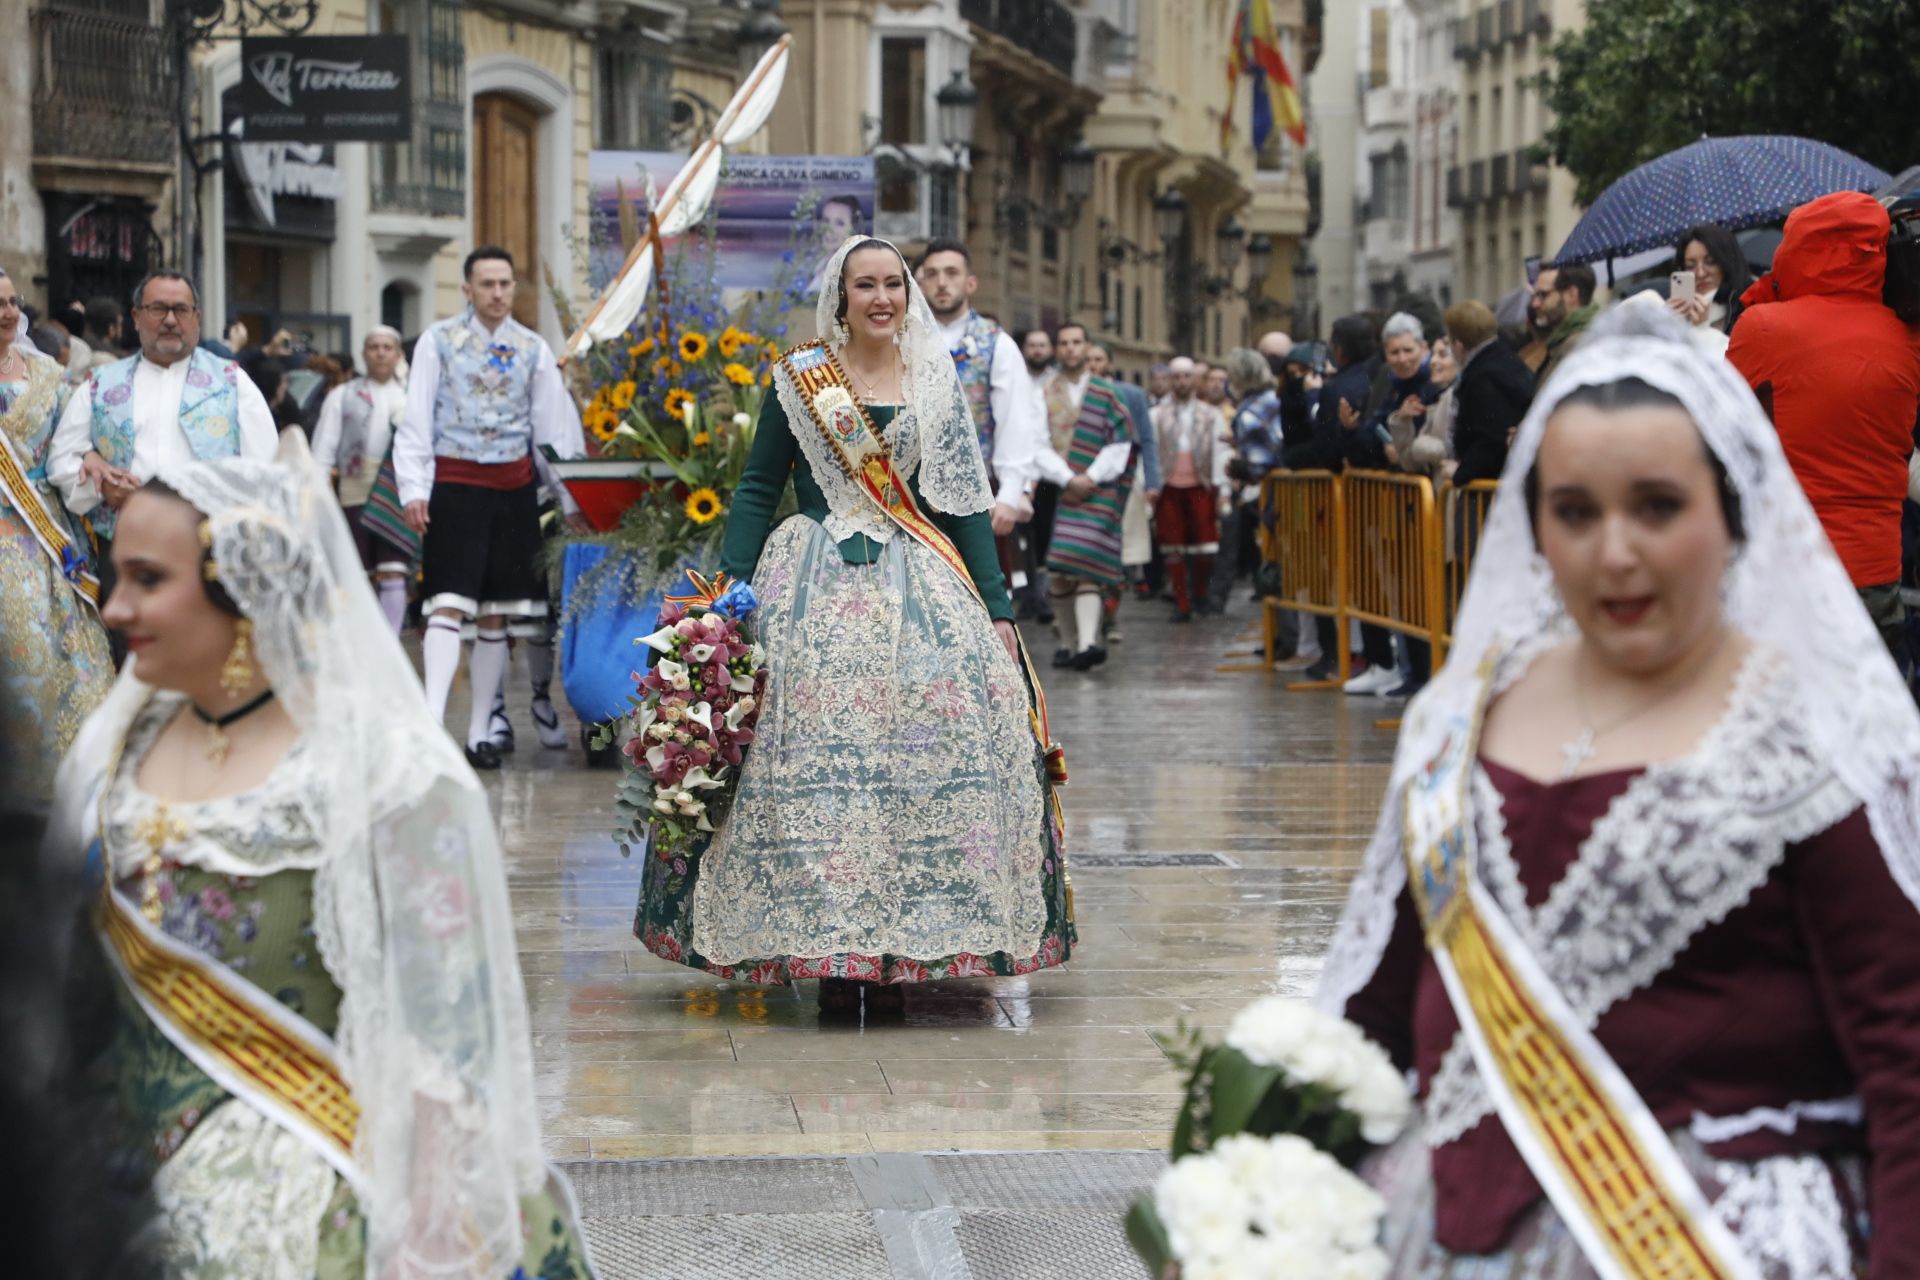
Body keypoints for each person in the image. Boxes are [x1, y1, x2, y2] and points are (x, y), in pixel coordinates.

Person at [1319, 304, 1920, 1278]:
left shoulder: (1814, 734)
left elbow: (1907, 1052)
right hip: (1447, 1224)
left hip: (1717, 1235)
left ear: (1727, 515)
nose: (1615, 552)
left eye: (1656, 505)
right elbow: (1379, 1018)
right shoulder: (1461, 722)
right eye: (1576, 511)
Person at [46, 443, 593, 1277]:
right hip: (107, 1164)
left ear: (242, 586)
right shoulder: (111, 748)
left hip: (316, 1171)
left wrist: (427, 1225)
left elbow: (447, 1036)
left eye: (148, 580)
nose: (114, 608)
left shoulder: (389, 772)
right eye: (116, 576)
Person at [659, 235, 1070, 1016]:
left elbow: (963, 503)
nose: (882, 298)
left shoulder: (935, 381)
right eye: (865, 286)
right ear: (840, 297)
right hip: (808, 588)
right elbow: (755, 489)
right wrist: (725, 594)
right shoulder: (800, 378)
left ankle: (899, 958)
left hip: (919, 588)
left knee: (916, 767)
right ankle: (834, 960)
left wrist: (997, 608)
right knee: (817, 772)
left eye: (893, 285)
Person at [394, 245, 585, 768]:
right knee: (446, 604)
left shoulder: (532, 349)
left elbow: (552, 429)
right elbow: (417, 419)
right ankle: (432, 724)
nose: (498, 293)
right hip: (454, 485)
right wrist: (414, 488)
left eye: (505, 284)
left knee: (497, 614)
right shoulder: (439, 342)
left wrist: (570, 496)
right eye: (487, 284)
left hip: (512, 488)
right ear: (468, 289)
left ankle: (480, 731)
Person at [1729, 189, 1920, 676]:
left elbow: (1721, 421)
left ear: (1798, 248)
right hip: (1877, 571)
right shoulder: (1908, 338)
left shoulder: (1764, 328)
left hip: (1789, 569)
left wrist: (1760, 296)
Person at [46, 272, 278, 604]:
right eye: (158, 309)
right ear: (136, 317)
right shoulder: (100, 385)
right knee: (131, 650)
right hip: (126, 548)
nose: (170, 320)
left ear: (197, 318)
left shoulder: (232, 382)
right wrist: (101, 487)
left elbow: (266, 469)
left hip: (209, 550)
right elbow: (62, 459)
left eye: (181, 310)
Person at [0, 267, 112, 811]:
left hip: (42, 538)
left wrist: (90, 458)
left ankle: (59, 781)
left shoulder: (49, 374)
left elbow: (74, 442)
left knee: (53, 651)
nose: (5, 312)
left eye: (10, 301)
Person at [911, 238, 1044, 544]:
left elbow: (1016, 422)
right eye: (931, 274)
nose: (941, 282)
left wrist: (1011, 493)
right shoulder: (905, 341)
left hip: (979, 491)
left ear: (971, 283)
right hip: (912, 493)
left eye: (951, 273)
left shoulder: (997, 344)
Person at [1346, 312, 1440, 699]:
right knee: (1405, 589)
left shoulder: (1429, 384)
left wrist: (1391, 442)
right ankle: (1412, 669)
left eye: (1408, 350)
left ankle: (1422, 671)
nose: (1401, 358)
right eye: (1394, 352)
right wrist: (1368, 433)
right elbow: (1375, 430)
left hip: (1425, 499)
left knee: (1421, 590)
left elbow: (1408, 442)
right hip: (1400, 501)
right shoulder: (1393, 385)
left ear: (1424, 348)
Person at [1036, 322, 1135, 667]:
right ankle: (1067, 643)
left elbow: (1120, 441)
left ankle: (1088, 644)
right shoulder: (1043, 392)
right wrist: (1067, 478)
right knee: (1060, 569)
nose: (1070, 349)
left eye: (1077, 342)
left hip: (1097, 491)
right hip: (1056, 490)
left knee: (1088, 567)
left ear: (1087, 346)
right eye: (1064, 343)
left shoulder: (1108, 394)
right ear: (1056, 349)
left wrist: (1090, 477)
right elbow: (1036, 443)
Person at [310, 325, 412, 633]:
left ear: (397, 354)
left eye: (387, 347)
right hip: (355, 489)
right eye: (374, 347)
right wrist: (315, 492)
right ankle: (361, 640)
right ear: (364, 354)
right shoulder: (342, 396)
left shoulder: (411, 396)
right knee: (358, 571)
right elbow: (323, 448)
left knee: (394, 569)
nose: (381, 353)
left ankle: (390, 641)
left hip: (397, 492)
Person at [1088, 343, 1161, 642]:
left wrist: (1153, 482)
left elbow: (1146, 439)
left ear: (1108, 363)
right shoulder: (1069, 396)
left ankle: (1110, 617)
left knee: (1117, 554)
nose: (1092, 364)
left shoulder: (1131, 395)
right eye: (1088, 359)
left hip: (1124, 484)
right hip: (1083, 486)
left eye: (1098, 359)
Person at [1150, 356, 1227, 622]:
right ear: (1171, 380)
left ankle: (1200, 594)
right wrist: (1149, 486)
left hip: (1201, 484)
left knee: (1205, 548)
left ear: (1194, 380)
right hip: (1168, 486)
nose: (1182, 382)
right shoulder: (1156, 414)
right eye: (1177, 376)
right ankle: (1181, 602)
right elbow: (1150, 453)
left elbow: (1220, 451)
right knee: (1173, 547)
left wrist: (1222, 487)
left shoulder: (1211, 414)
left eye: (1186, 376)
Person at [1210, 347, 1283, 613]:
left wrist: (1239, 468)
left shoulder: (1248, 411)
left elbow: (1259, 465)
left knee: (1277, 562)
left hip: (1278, 492)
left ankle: (1285, 635)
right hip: (1292, 487)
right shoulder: (1273, 398)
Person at [1443, 299, 1533, 489]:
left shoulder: (1485, 375)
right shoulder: (1505, 359)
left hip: (1488, 488)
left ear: (1458, 344)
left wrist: (1462, 473)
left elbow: (1491, 438)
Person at [1670, 222, 1752, 339]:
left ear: (1728, 262)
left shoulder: (1752, 306)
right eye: (1690, 265)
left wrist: (1701, 330)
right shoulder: (1676, 313)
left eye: (1710, 262)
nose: (1700, 273)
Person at [1530, 263, 1599, 388]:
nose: (1535, 304)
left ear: (1572, 295)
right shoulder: (1564, 341)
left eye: (1543, 295)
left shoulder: (1579, 346)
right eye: (1535, 295)